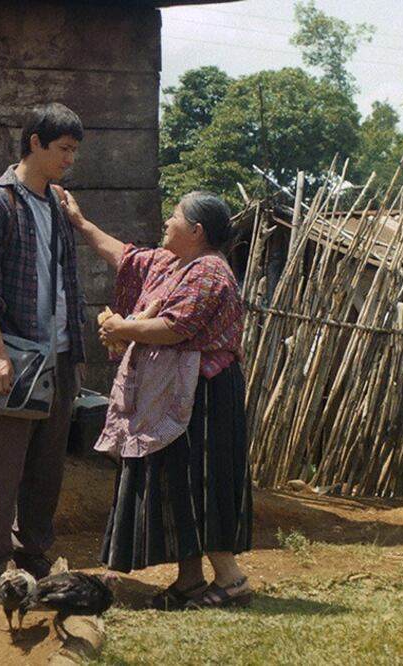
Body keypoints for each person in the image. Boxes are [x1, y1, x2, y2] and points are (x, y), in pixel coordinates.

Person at [61, 189, 254, 610]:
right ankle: (189, 580)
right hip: (172, 396)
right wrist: (80, 222)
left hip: (205, 397)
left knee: (202, 481)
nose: (167, 222)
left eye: (175, 216)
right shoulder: (173, 264)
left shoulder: (210, 273)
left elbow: (175, 327)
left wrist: (120, 327)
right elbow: (126, 257)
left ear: (197, 231)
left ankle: (232, 578)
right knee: (173, 481)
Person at [0, 103, 87, 602]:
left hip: (58, 354)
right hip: (15, 353)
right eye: (63, 149)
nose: (70, 160)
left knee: (47, 461)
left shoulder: (57, 204)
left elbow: (65, 282)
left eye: (75, 151)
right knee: (5, 461)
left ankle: (32, 550)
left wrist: (76, 345)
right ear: (34, 142)